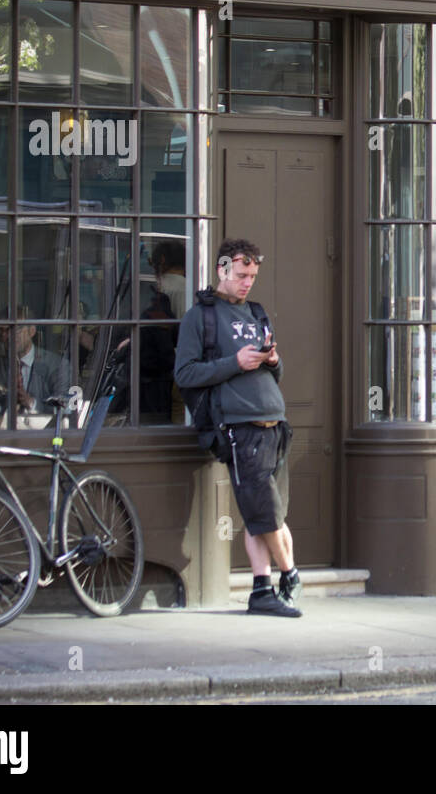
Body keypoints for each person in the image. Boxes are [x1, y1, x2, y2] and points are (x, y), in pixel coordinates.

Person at [174, 238, 302, 618]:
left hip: (275, 423)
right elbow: (185, 374)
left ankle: (262, 589)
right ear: (222, 269)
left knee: (263, 514)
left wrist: (273, 360)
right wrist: (235, 363)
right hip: (239, 427)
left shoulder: (257, 312)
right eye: (242, 275)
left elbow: (274, 374)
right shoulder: (201, 317)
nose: (248, 282)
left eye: (253, 276)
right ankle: (290, 575)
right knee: (266, 514)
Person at [0, 318, 71, 417]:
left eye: (15, 329)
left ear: (31, 331)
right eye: (3, 331)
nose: (8, 336)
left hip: (42, 430)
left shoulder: (57, 365)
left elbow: (65, 409)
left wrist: (31, 403)